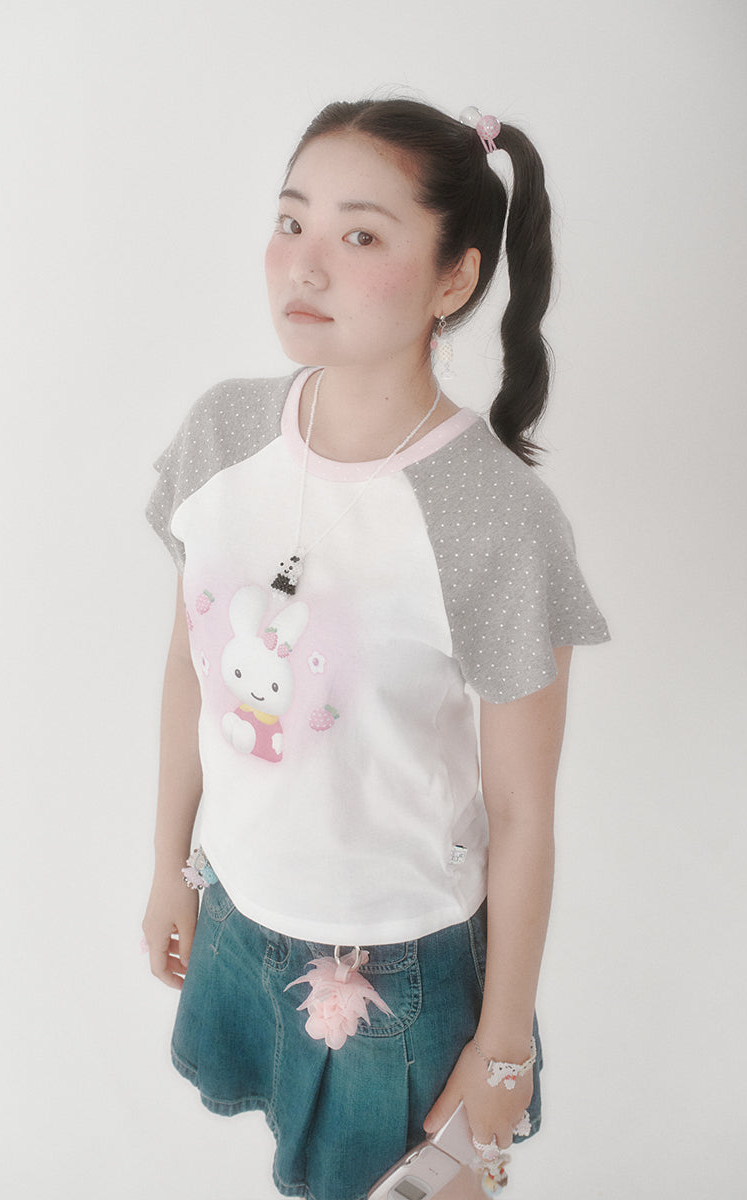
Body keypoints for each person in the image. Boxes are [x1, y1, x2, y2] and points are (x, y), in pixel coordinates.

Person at [142, 97, 609, 1200]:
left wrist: (502, 1051)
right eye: (290, 221)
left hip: (394, 965)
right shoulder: (223, 431)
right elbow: (191, 669)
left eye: (359, 234)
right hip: (239, 906)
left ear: (454, 278)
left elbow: (521, 815)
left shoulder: (495, 517)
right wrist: (169, 864)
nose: (305, 264)